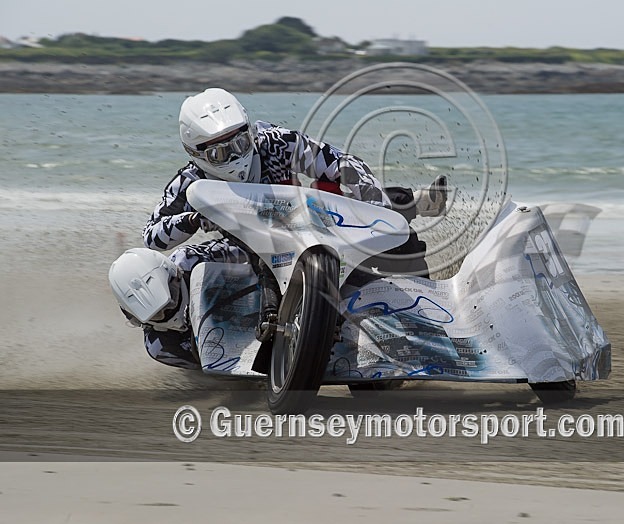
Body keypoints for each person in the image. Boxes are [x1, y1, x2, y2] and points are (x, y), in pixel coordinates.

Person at [112, 87, 446, 370]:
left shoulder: (277, 142)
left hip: (313, 221)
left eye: (240, 144)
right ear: (195, 154)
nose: (233, 156)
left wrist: (377, 206)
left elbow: (343, 163)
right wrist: (195, 219)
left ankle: (419, 273)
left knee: (373, 208)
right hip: (244, 251)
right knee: (185, 259)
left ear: (249, 133)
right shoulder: (188, 181)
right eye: (218, 152)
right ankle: (209, 342)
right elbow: (153, 236)